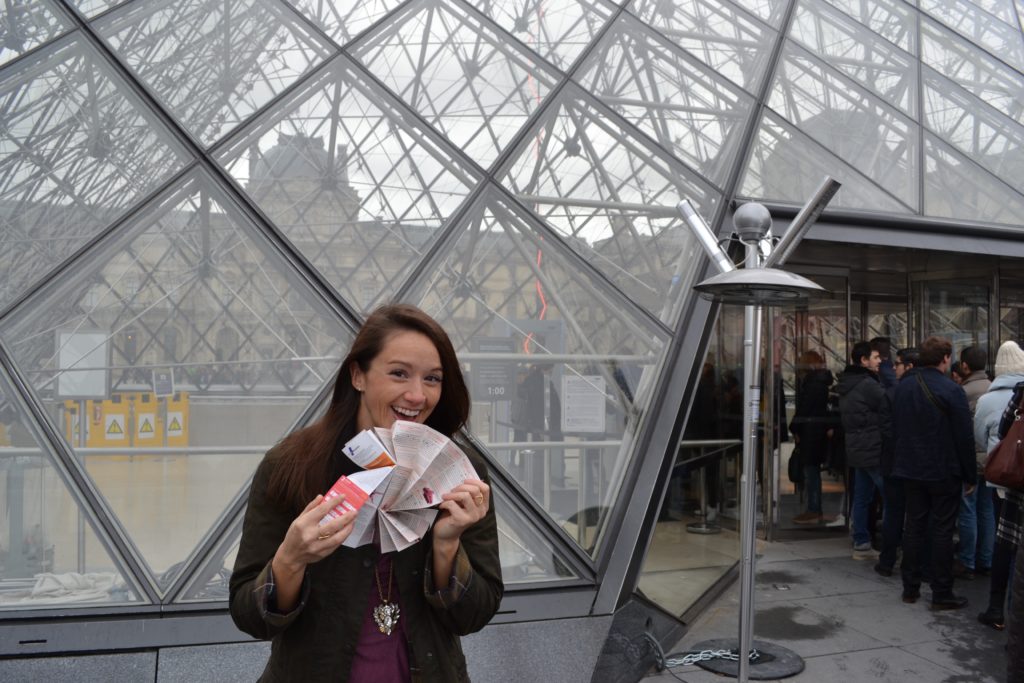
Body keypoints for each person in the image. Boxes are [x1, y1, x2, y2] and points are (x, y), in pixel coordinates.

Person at [229, 304, 503, 682]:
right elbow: (250, 617)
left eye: (433, 379)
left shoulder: (461, 474)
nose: (417, 395)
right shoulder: (289, 467)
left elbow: (475, 615)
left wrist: (446, 545)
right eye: (399, 373)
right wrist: (290, 560)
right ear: (358, 375)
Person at [890, 336, 975, 610]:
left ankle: (910, 588)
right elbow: (964, 437)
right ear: (946, 358)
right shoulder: (951, 390)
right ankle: (941, 591)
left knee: (913, 525)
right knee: (942, 530)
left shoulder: (902, 387)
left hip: (910, 467)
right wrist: (970, 475)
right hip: (942, 469)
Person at [975, 341, 1024, 630]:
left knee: (1004, 546)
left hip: (1009, 481)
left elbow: (993, 435)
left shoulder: (1009, 398)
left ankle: (998, 609)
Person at [837, 340, 888, 558]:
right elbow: (888, 404)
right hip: (873, 448)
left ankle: (861, 539)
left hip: (857, 448)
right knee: (890, 494)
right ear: (863, 360)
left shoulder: (848, 383)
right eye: (876, 357)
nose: (880, 361)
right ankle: (892, 540)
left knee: (861, 495)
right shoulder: (868, 384)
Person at [876, 346, 920, 576]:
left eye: (898, 364)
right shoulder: (924, 392)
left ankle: (887, 561)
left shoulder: (892, 394)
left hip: (894, 463)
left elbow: (886, 431)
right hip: (916, 464)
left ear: (909, 366)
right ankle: (912, 564)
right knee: (914, 515)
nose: (894, 368)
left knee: (893, 513)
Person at [955, 345, 992, 580]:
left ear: (965, 366)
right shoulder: (992, 388)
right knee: (987, 510)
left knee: (968, 509)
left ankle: (966, 560)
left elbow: (962, 431)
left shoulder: (963, 392)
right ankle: (986, 559)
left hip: (970, 459)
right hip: (990, 458)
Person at [789, 350, 835, 525]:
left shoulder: (812, 384)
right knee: (812, 470)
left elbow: (805, 409)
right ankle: (813, 508)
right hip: (816, 432)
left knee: (811, 471)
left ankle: (813, 508)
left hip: (811, 433)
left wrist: (794, 427)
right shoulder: (821, 383)